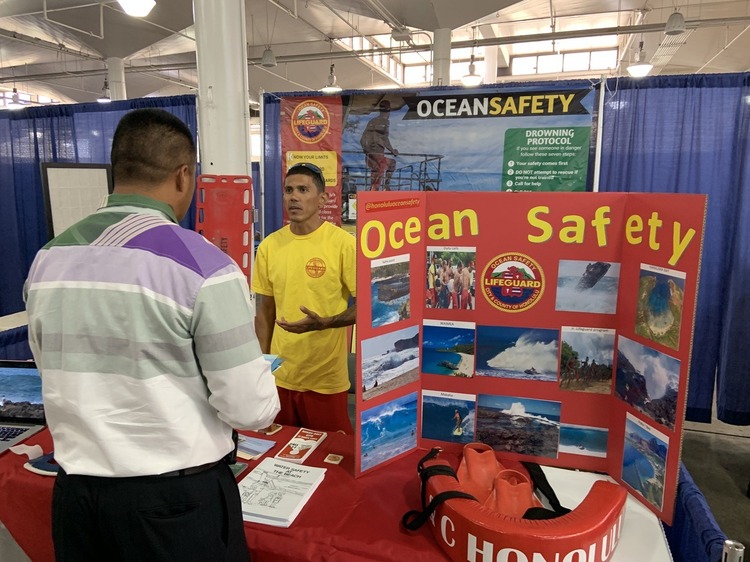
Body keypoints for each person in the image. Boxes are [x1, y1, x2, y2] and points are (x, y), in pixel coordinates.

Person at [23, 108, 280, 562]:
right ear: (184, 176)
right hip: (174, 508)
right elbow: (249, 407)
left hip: (78, 500)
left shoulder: (48, 259)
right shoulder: (204, 266)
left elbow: (51, 370)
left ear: (117, 168)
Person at [252, 162, 357, 434]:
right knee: (280, 455)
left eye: (303, 189)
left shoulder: (343, 244)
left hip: (325, 379)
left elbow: (369, 306)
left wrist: (325, 322)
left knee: (331, 456)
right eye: (288, 190)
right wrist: (263, 365)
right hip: (281, 377)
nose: (293, 197)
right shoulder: (269, 246)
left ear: (322, 198)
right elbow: (265, 311)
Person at [360, 99, 399, 191]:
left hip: (371, 155)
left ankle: (376, 190)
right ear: (389, 110)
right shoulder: (384, 122)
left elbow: (362, 139)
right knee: (384, 168)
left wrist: (367, 152)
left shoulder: (372, 121)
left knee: (378, 172)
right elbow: (384, 139)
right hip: (377, 155)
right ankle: (385, 187)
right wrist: (392, 150)